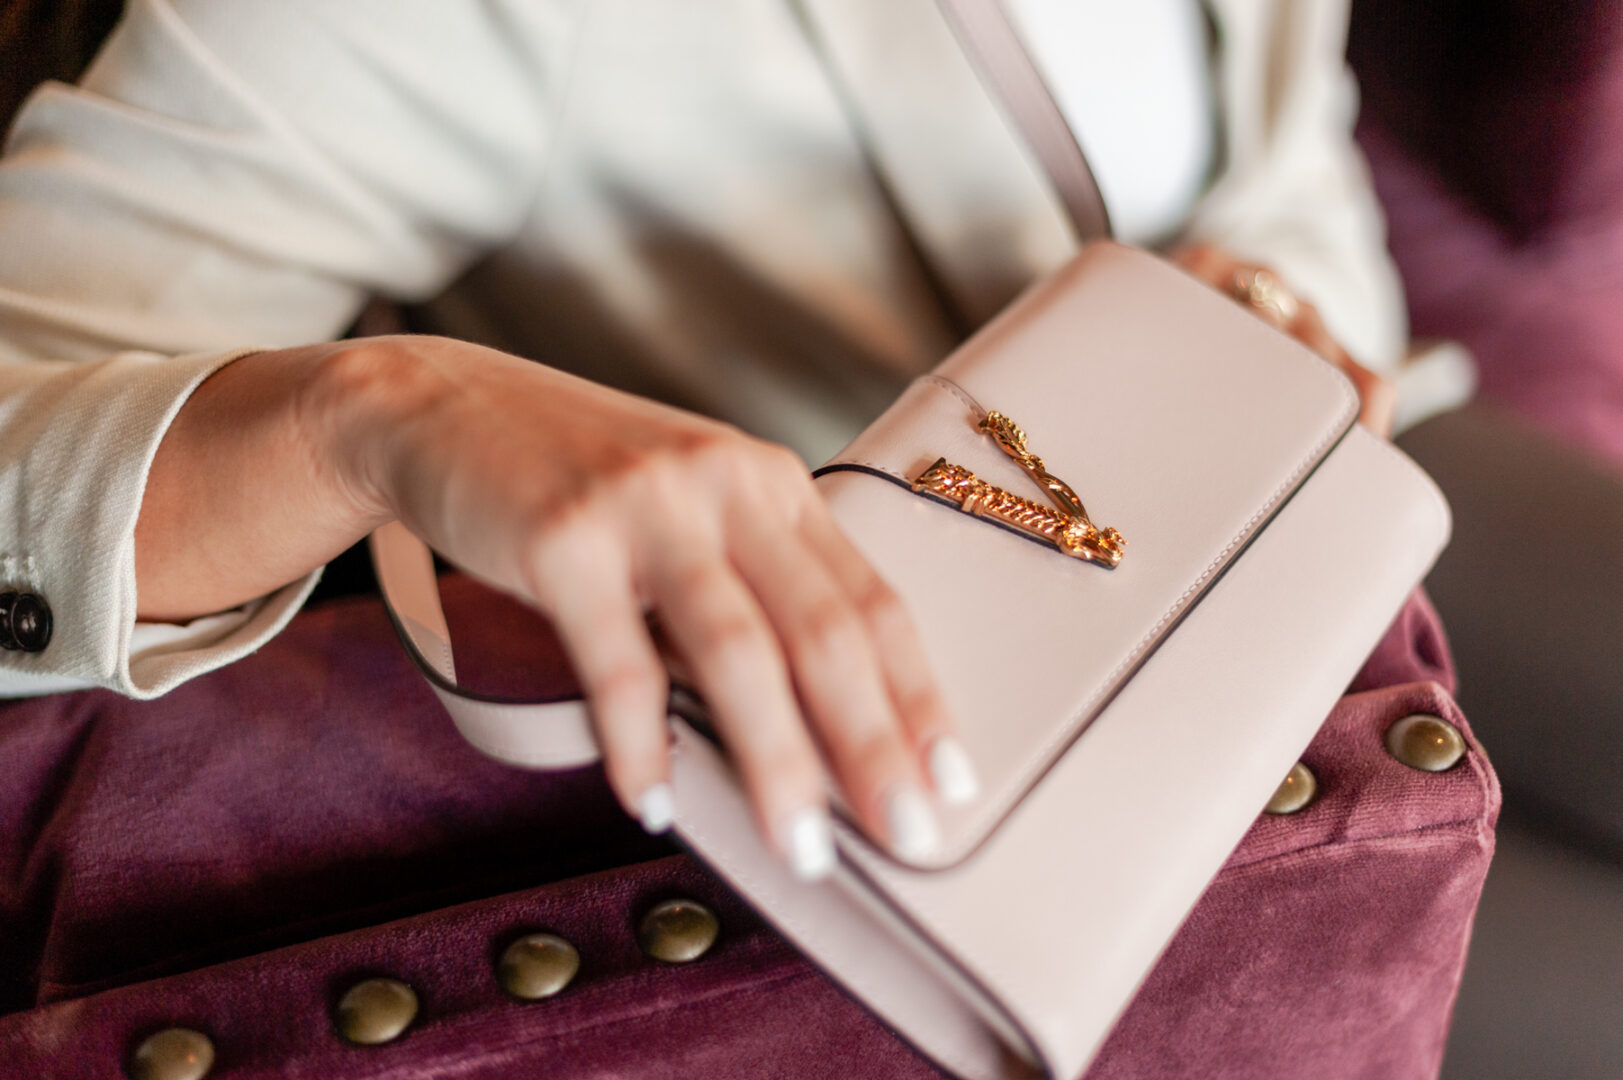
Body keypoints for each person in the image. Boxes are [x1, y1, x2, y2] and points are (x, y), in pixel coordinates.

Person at [0, 0, 1415, 883]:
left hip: (1333, 537)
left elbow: (1296, 154)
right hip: (936, 765)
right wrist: (372, 415)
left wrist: (1275, 309)